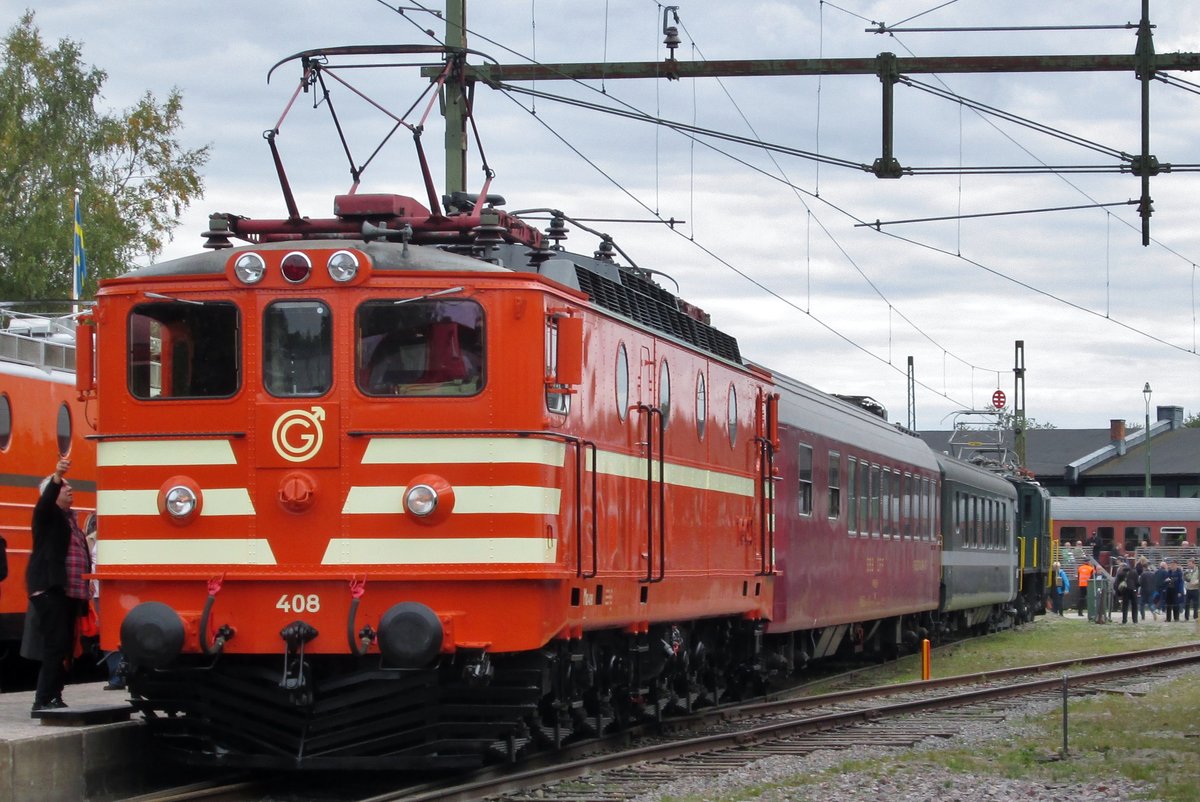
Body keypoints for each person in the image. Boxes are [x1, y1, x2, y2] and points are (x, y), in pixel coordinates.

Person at [25, 457, 90, 714]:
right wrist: (56, 475)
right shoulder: (46, 517)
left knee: (65, 645)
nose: (70, 489)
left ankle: (55, 696)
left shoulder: (71, 521)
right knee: (55, 643)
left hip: (70, 591)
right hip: (50, 588)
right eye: (65, 487)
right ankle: (43, 699)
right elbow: (44, 505)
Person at [1116, 559, 1140, 624]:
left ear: (1122, 567)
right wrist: (1135, 589)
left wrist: (1118, 593)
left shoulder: (1120, 573)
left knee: (1125, 606)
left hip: (1125, 590)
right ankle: (1135, 620)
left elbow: (1117, 584)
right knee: (1134, 605)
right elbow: (1137, 582)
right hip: (1133, 590)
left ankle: (1124, 620)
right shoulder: (1134, 572)